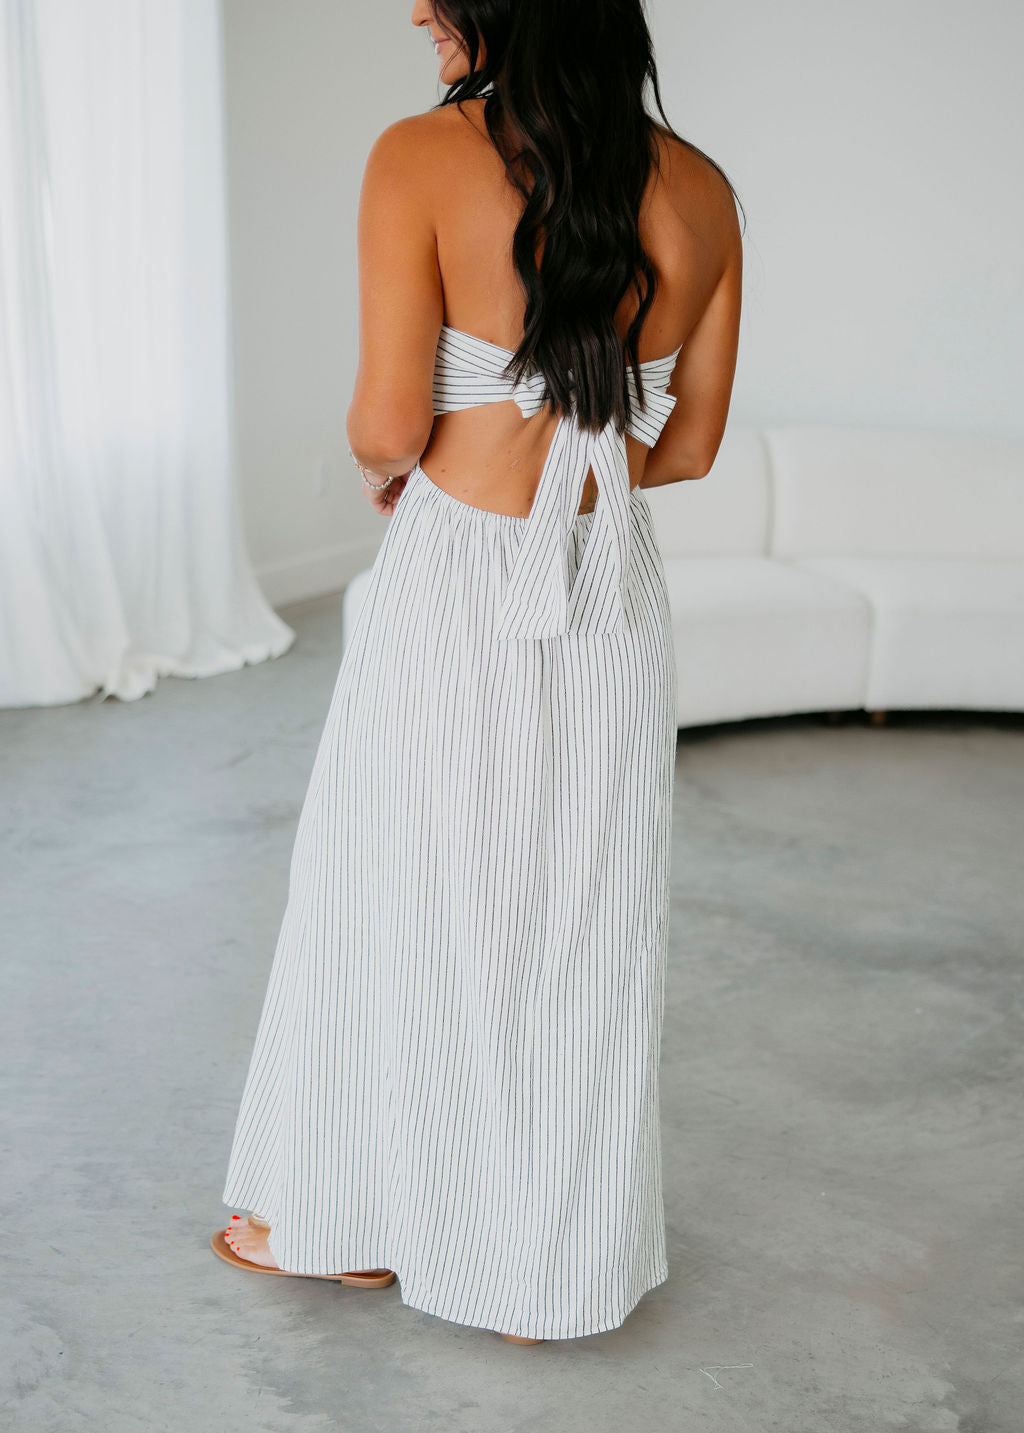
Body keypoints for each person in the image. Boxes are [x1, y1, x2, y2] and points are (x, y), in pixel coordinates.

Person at [211, 0, 742, 1346]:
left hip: (456, 574)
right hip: (610, 583)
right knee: (582, 917)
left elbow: (388, 421)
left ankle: (347, 1220)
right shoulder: (703, 191)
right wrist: (582, 450)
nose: (416, 6)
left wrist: (400, 470)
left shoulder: (418, 156)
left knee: (392, 887)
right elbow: (688, 448)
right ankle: (544, 1276)